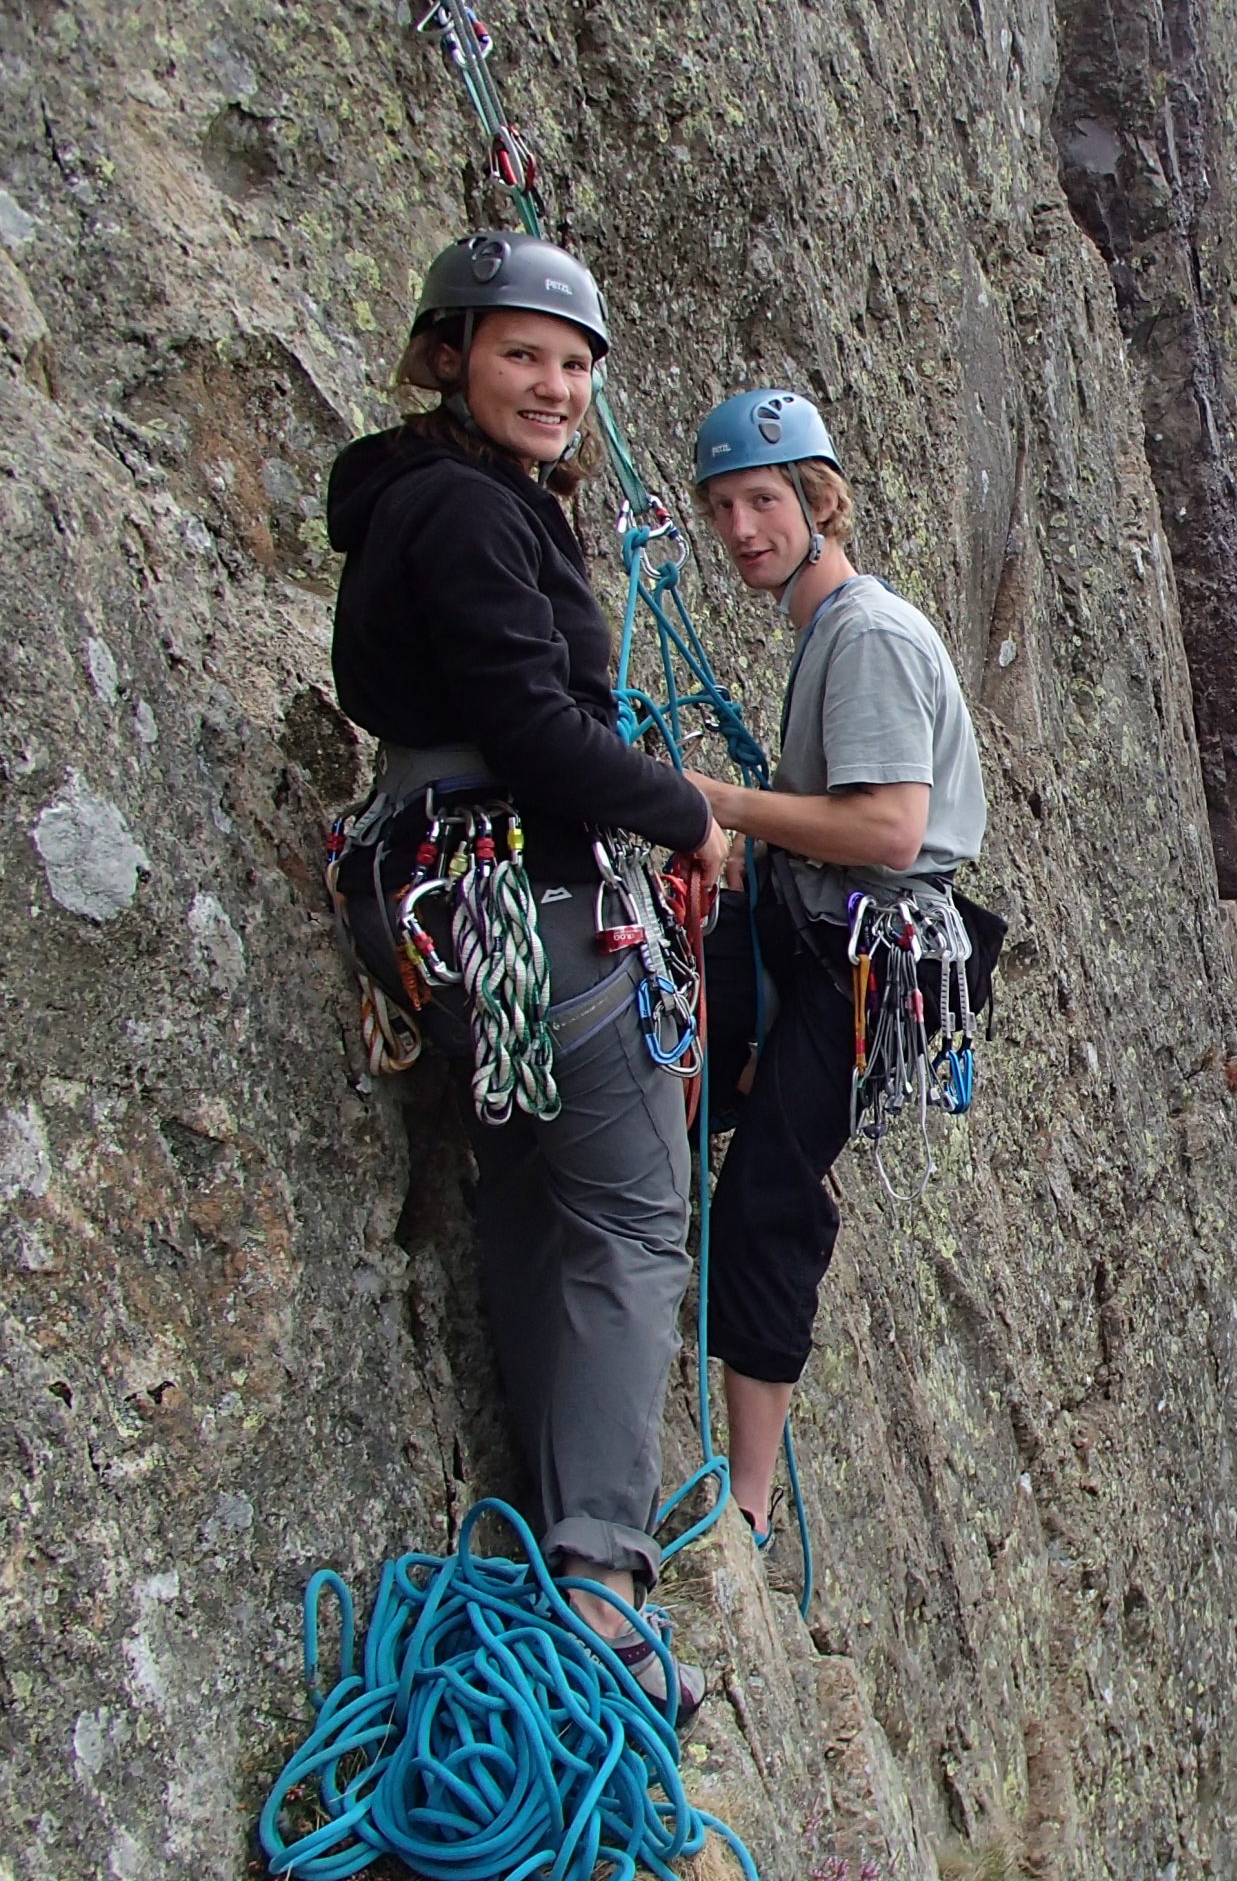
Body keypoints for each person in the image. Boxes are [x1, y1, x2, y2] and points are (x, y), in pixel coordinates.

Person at [325, 231, 723, 1716]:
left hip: (442, 896)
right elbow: (541, 733)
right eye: (521, 356)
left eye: (573, 364)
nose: (554, 386)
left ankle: (544, 1512)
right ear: (450, 357)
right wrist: (684, 814)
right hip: (519, 898)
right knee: (630, 1213)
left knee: (526, 1192)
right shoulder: (475, 517)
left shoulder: (417, 500)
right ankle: (603, 1587)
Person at [686, 389, 988, 1545]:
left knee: (765, 1192)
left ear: (818, 502)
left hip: (864, 956)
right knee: (664, 1050)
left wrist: (709, 800)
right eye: (722, 509)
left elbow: (887, 831)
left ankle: (749, 1506)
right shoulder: (828, 627)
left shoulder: (862, 634)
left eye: (764, 501)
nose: (742, 529)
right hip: (810, 928)